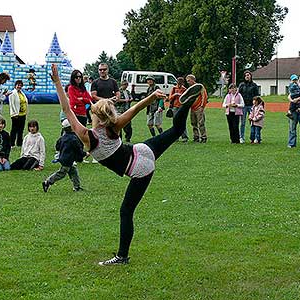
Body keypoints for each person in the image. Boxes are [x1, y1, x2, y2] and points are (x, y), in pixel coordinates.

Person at [50, 63, 204, 265]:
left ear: (95, 116)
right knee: (175, 131)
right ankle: (185, 104)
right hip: (142, 151)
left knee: (126, 211)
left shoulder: (87, 136)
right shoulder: (114, 125)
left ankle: (122, 256)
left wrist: (58, 82)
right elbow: (136, 107)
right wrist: (151, 97)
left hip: (141, 169)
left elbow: (66, 108)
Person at [43, 119, 86, 192]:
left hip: (64, 158)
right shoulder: (74, 139)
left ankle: (77, 187)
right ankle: (47, 182)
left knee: (73, 171)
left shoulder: (62, 138)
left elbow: (57, 146)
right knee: (61, 173)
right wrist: (84, 154)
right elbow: (78, 149)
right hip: (68, 160)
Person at [238, 70, 259, 143]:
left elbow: (257, 96)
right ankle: (241, 137)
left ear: (251, 76)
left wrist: (256, 105)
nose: (247, 76)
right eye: (246, 75)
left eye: (248, 75)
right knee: (242, 123)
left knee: (254, 122)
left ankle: (255, 137)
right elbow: (239, 95)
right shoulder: (241, 85)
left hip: (252, 106)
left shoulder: (254, 85)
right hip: (243, 106)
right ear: (244, 76)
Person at [186, 74, 208, 143]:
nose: (188, 82)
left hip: (199, 108)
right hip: (192, 108)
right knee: (193, 123)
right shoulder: (190, 88)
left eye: (189, 80)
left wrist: (202, 106)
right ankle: (196, 137)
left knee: (201, 123)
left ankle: (203, 137)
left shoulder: (200, 86)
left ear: (193, 80)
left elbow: (204, 96)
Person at [9, 80, 28, 147]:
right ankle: (12, 144)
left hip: (23, 114)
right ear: (15, 85)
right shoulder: (12, 93)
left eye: (20, 85)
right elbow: (12, 104)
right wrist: (14, 113)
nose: (19, 86)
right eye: (18, 85)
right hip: (16, 114)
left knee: (21, 130)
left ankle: (19, 143)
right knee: (14, 129)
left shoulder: (22, 93)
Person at [168, 77, 188, 142]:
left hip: (182, 106)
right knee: (175, 122)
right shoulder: (174, 88)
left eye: (181, 83)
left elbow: (186, 98)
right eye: (178, 82)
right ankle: (176, 137)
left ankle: (184, 137)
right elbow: (170, 98)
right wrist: (175, 94)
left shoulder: (184, 89)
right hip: (175, 107)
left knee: (182, 121)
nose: (179, 84)